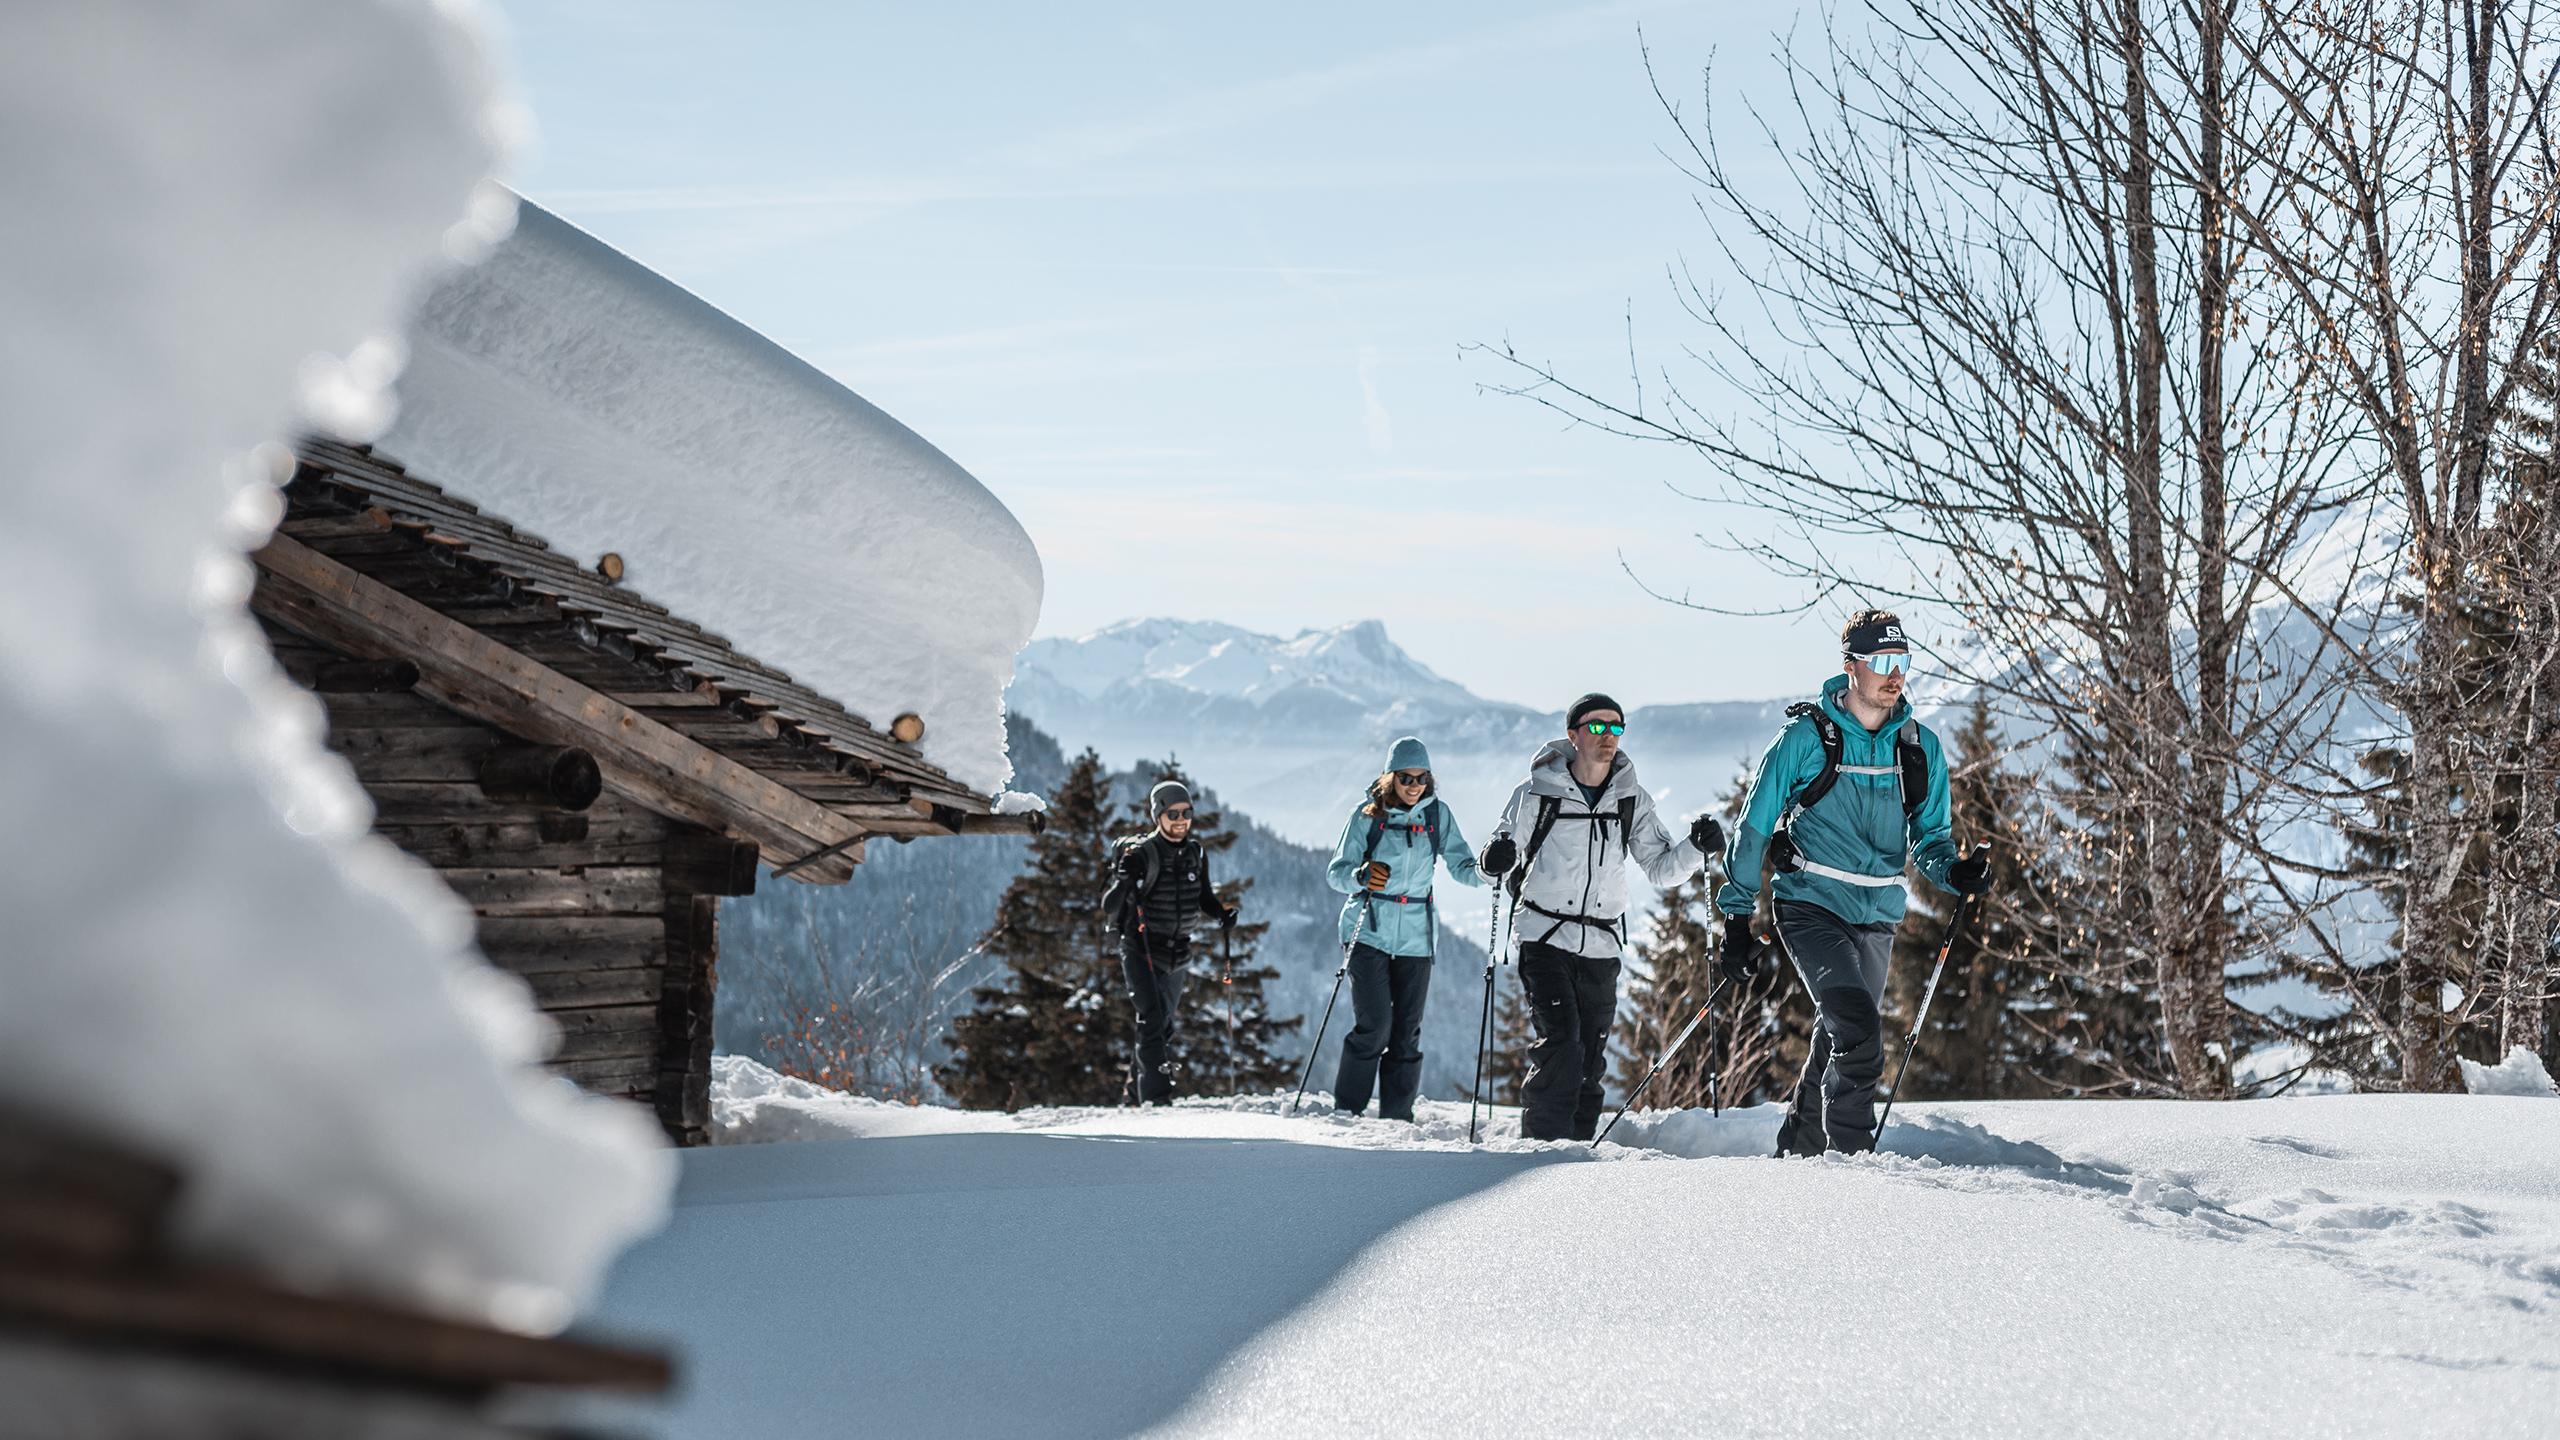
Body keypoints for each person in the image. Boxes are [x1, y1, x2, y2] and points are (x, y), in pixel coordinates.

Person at [1716, 610, 1991, 1156]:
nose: (1895, 675)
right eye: (1882, 662)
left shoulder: (1919, 747)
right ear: (1850, 667)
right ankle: (1851, 1169)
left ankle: (1798, 1150)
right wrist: (1736, 919)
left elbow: (1931, 839)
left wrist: (1954, 872)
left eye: (1903, 663)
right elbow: (1754, 826)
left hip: (1879, 913)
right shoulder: (1805, 738)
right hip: (1810, 907)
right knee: (1861, 1035)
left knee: (1839, 1036)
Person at [1479, 694, 1724, 1141]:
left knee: (1590, 1057)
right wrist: (1493, 858)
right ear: (1573, 735)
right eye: (1597, 727)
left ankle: (1574, 1154)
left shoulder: (1630, 797)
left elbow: (1662, 868)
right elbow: (1500, 854)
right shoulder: (1536, 792)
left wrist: (1696, 847)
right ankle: (1541, 1151)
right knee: (1562, 1046)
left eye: (1616, 727)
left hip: (1602, 943)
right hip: (1544, 937)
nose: (1608, 736)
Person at [1322, 737, 1485, 1122]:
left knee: (1407, 1031)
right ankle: (1348, 1111)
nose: (1414, 786)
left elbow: (1463, 867)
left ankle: (1397, 1117)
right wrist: (1361, 875)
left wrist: (1488, 870)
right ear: (1390, 778)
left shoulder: (1436, 816)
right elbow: (1336, 874)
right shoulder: (1367, 816)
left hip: (1416, 936)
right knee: (1375, 1026)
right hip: (1368, 931)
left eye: (1421, 778)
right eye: (1406, 778)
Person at [1103, 779, 1238, 1105]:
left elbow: (1203, 897)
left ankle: (1134, 1098)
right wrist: (1125, 879)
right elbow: (1110, 906)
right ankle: (1156, 1102)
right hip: (1141, 948)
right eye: (1173, 813)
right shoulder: (1143, 855)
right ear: (1157, 815)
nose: (1181, 820)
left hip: (1179, 951)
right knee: (1151, 1021)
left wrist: (1221, 913)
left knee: (1162, 1026)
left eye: (1187, 812)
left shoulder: (1195, 853)